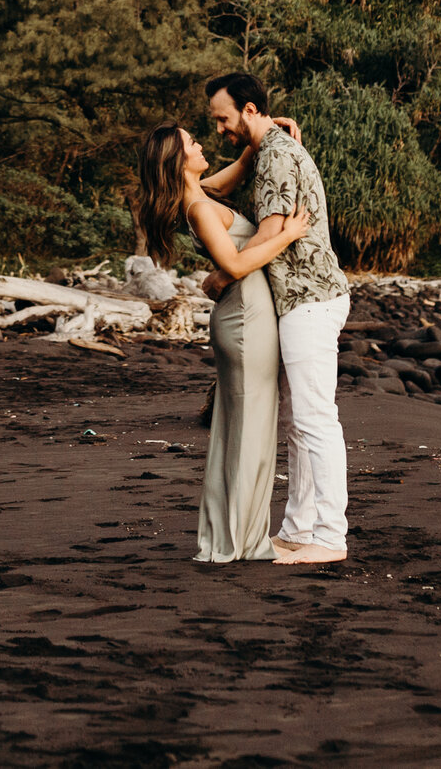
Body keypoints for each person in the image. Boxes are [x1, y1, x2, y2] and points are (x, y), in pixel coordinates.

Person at [134, 123, 316, 563]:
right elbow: (234, 263)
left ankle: (230, 536)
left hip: (245, 316)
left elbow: (238, 168)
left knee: (243, 431)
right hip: (244, 320)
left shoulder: (198, 191)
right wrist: (288, 235)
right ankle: (237, 541)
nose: (200, 143)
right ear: (179, 161)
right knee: (248, 433)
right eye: (192, 142)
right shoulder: (197, 205)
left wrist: (267, 132)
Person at [203, 70, 351, 565]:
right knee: (296, 421)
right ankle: (297, 529)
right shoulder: (266, 152)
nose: (219, 131)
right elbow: (205, 188)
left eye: (223, 119)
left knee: (314, 420)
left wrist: (221, 280)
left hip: (309, 299)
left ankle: (330, 537)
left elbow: (271, 234)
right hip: (298, 301)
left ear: (248, 109)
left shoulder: (277, 158)